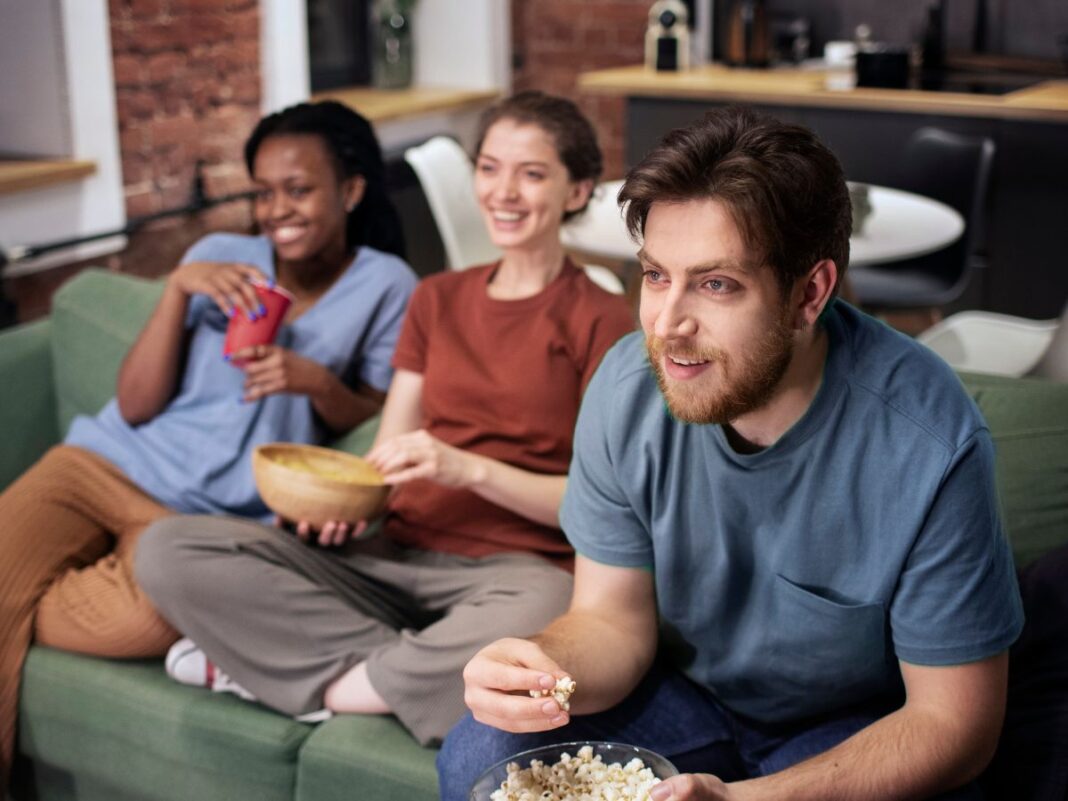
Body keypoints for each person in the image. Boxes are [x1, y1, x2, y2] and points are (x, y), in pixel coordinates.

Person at [443, 107, 1024, 801]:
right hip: (682, 696)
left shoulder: (930, 440)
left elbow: (955, 723)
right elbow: (610, 620)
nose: (668, 325)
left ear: (809, 293)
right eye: (656, 276)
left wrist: (742, 799)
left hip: (851, 724)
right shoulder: (627, 389)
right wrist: (544, 667)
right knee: (481, 749)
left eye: (716, 284)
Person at [134, 91, 636, 745]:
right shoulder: (436, 298)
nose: (503, 191)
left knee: (546, 611)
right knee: (170, 549)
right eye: (488, 168)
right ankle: (408, 670)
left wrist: (465, 467)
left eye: (532, 173)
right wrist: (343, 503)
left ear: (577, 191)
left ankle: (321, 683)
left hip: (514, 573)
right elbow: (388, 454)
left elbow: (597, 509)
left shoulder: (603, 319)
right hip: (391, 557)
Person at [0, 99, 417, 788]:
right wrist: (175, 292)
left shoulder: (385, 283)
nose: (276, 209)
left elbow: (376, 411)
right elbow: (133, 405)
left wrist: (314, 383)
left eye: (299, 189)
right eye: (263, 192)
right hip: (98, 464)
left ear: (350, 190)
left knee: (135, 622)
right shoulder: (219, 257)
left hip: (199, 518)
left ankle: (18, 594)